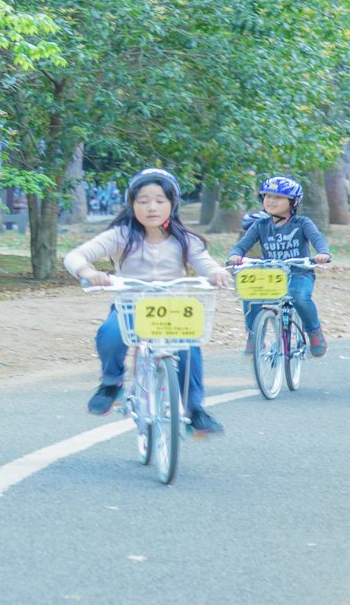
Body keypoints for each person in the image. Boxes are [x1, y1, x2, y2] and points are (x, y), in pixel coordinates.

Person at [64, 168, 233, 438]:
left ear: (172, 203)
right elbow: (76, 256)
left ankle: (195, 409)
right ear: (132, 204)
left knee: (189, 349)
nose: (151, 207)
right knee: (110, 334)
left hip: (175, 311)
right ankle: (112, 382)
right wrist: (88, 272)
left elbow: (205, 263)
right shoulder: (120, 235)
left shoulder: (185, 240)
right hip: (130, 307)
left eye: (159, 200)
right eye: (142, 200)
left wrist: (216, 272)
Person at [227, 176, 334, 356]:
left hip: (299, 272)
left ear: (294, 202)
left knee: (299, 298)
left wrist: (323, 253)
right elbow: (241, 246)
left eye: (278, 197)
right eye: (267, 196)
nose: (271, 201)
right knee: (250, 292)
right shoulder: (260, 225)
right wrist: (235, 255)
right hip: (272, 275)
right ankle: (255, 337)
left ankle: (314, 333)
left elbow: (318, 239)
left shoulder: (302, 223)